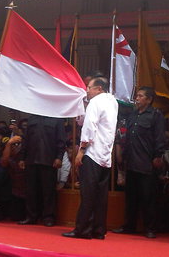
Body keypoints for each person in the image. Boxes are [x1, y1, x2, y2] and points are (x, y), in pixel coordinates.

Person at [63, 77, 118, 240]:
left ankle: (83, 229)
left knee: (87, 194)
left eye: (89, 87)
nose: (86, 90)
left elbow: (89, 128)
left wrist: (81, 151)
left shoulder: (95, 102)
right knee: (100, 195)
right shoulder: (113, 101)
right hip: (105, 154)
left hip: (92, 153)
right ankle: (98, 229)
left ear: (99, 88)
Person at [112, 87, 165, 239]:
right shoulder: (132, 115)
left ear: (149, 99)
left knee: (148, 197)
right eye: (137, 96)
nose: (137, 98)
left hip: (147, 162)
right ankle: (129, 226)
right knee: (131, 197)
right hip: (131, 161)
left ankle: (150, 228)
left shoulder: (155, 115)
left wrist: (157, 156)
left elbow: (159, 137)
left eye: (141, 96)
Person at [18, 115, 66, 227]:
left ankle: (48, 217)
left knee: (48, 190)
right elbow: (26, 140)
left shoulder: (57, 119)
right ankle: (31, 216)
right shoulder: (32, 118)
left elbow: (61, 141)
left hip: (49, 159)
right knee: (30, 190)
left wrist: (59, 157)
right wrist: (22, 157)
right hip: (31, 158)